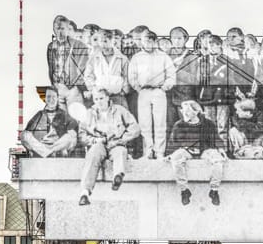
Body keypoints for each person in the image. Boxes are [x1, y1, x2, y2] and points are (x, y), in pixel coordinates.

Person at [78, 89, 138, 206]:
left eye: (101, 98)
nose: (99, 102)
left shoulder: (119, 110)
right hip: (99, 143)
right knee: (93, 153)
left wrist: (121, 140)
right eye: (96, 99)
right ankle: (85, 192)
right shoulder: (89, 113)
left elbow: (135, 128)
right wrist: (94, 140)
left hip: (115, 143)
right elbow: (81, 135)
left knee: (121, 151)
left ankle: (117, 177)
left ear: (107, 98)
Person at [127, 25, 176, 159]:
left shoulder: (163, 56)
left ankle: (159, 152)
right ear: (142, 42)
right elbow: (132, 76)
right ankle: (147, 151)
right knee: (145, 123)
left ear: (155, 42)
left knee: (160, 123)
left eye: (151, 41)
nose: (148, 43)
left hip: (159, 91)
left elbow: (171, 75)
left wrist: (164, 87)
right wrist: (139, 88)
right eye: (145, 41)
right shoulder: (137, 57)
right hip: (143, 92)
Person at [167, 97, 226, 206]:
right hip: (187, 151)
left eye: (187, 111)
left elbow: (216, 138)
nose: (184, 113)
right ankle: (184, 191)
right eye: (183, 111)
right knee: (176, 159)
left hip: (205, 150)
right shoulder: (179, 125)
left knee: (218, 160)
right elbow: (173, 142)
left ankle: (214, 190)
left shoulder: (208, 124)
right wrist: (170, 154)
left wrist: (221, 149)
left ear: (196, 112)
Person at [48, 15, 90, 120]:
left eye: (63, 28)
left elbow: (83, 69)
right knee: (60, 122)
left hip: (73, 90)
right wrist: (55, 85)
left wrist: (77, 87)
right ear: (54, 29)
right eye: (57, 28)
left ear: (67, 29)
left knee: (76, 120)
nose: (60, 32)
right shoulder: (51, 46)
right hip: (58, 88)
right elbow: (51, 67)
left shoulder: (79, 45)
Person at [21, 87, 79, 158]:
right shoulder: (39, 114)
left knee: (71, 137)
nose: (51, 99)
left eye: (54, 97)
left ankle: (49, 152)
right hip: (42, 144)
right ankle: (47, 152)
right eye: (48, 97)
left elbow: (73, 129)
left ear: (57, 98)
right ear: (45, 99)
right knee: (24, 135)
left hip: (57, 144)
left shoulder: (64, 114)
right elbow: (28, 131)